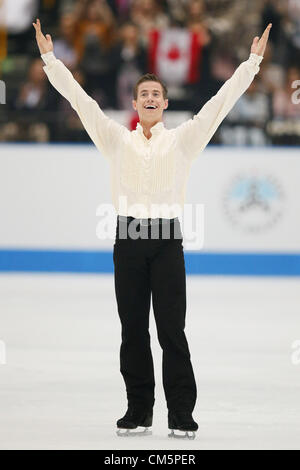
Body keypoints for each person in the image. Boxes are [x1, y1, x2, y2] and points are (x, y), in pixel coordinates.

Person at [33, 18, 271, 439]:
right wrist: (50, 60)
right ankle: (138, 410)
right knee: (132, 331)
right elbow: (81, 101)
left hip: (165, 243)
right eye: (143, 93)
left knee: (171, 331)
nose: (149, 98)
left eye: (155, 94)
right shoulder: (115, 140)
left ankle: (181, 414)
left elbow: (219, 103)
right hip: (127, 241)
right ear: (135, 102)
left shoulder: (182, 140)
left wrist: (251, 63)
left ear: (163, 104)